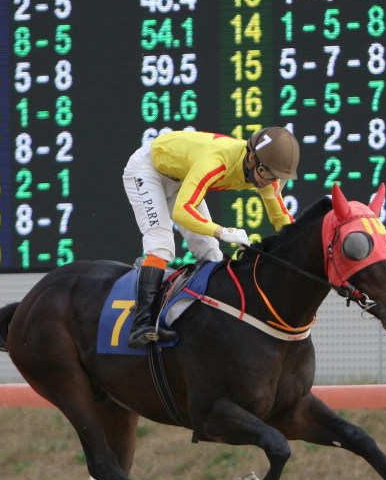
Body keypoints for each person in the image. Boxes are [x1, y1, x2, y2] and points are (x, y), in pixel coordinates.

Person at [123, 126, 300, 348]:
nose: (270, 182)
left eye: (278, 177)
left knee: (211, 253)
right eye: (267, 174)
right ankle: (141, 324)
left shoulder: (263, 170)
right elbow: (182, 211)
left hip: (181, 176)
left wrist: (300, 248)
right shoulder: (217, 162)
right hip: (148, 171)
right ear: (251, 158)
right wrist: (222, 231)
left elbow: (281, 218)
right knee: (162, 245)